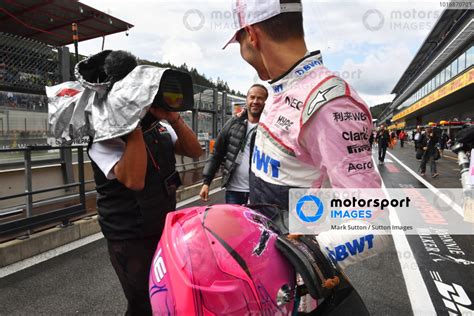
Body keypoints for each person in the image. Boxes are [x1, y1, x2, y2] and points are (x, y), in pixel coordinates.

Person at [222, 0, 381, 212]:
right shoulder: (279, 89)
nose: (241, 52)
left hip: (292, 244)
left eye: (239, 41)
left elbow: (371, 219)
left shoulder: (331, 105)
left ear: (251, 35)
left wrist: (300, 236)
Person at [87, 51, 202, 315]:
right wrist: (132, 124)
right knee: (142, 304)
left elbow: (195, 151)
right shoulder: (104, 136)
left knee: (167, 296)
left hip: (162, 227)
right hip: (129, 237)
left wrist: (173, 116)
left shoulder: (159, 125)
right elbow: (134, 181)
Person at [200, 84, 267, 204]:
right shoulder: (232, 123)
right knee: (235, 223)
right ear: (246, 99)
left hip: (260, 191)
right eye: (252, 97)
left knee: (258, 222)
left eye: (260, 98)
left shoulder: (270, 127)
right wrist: (206, 182)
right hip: (234, 191)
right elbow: (217, 153)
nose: (255, 101)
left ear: (266, 102)